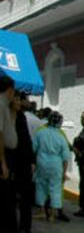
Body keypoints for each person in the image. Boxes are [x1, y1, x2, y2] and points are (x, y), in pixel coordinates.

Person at [33, 112, 71, 223]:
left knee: (41, 187)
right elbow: (65, 157)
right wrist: (64, 173)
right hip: (56, 165)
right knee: (55, 189)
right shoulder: (61, 136)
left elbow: (34, 148)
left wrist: (34, 164)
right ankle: (52, 215)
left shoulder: (40, 133)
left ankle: (42, 211)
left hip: (42, 163)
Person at [12, 93, 35, 233]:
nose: (28, 102)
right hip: (18, 163)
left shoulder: (21, 117)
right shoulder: (16, 117)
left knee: (23, 200)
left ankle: (24, 227)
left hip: (22, 164)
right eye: (26, 99)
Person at [0, 75, 18, 231]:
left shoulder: (5, 106)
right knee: (6, 198)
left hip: (7, 154)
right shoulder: (0, 104)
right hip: (4, 155)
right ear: (10, 90)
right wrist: (3, 162)